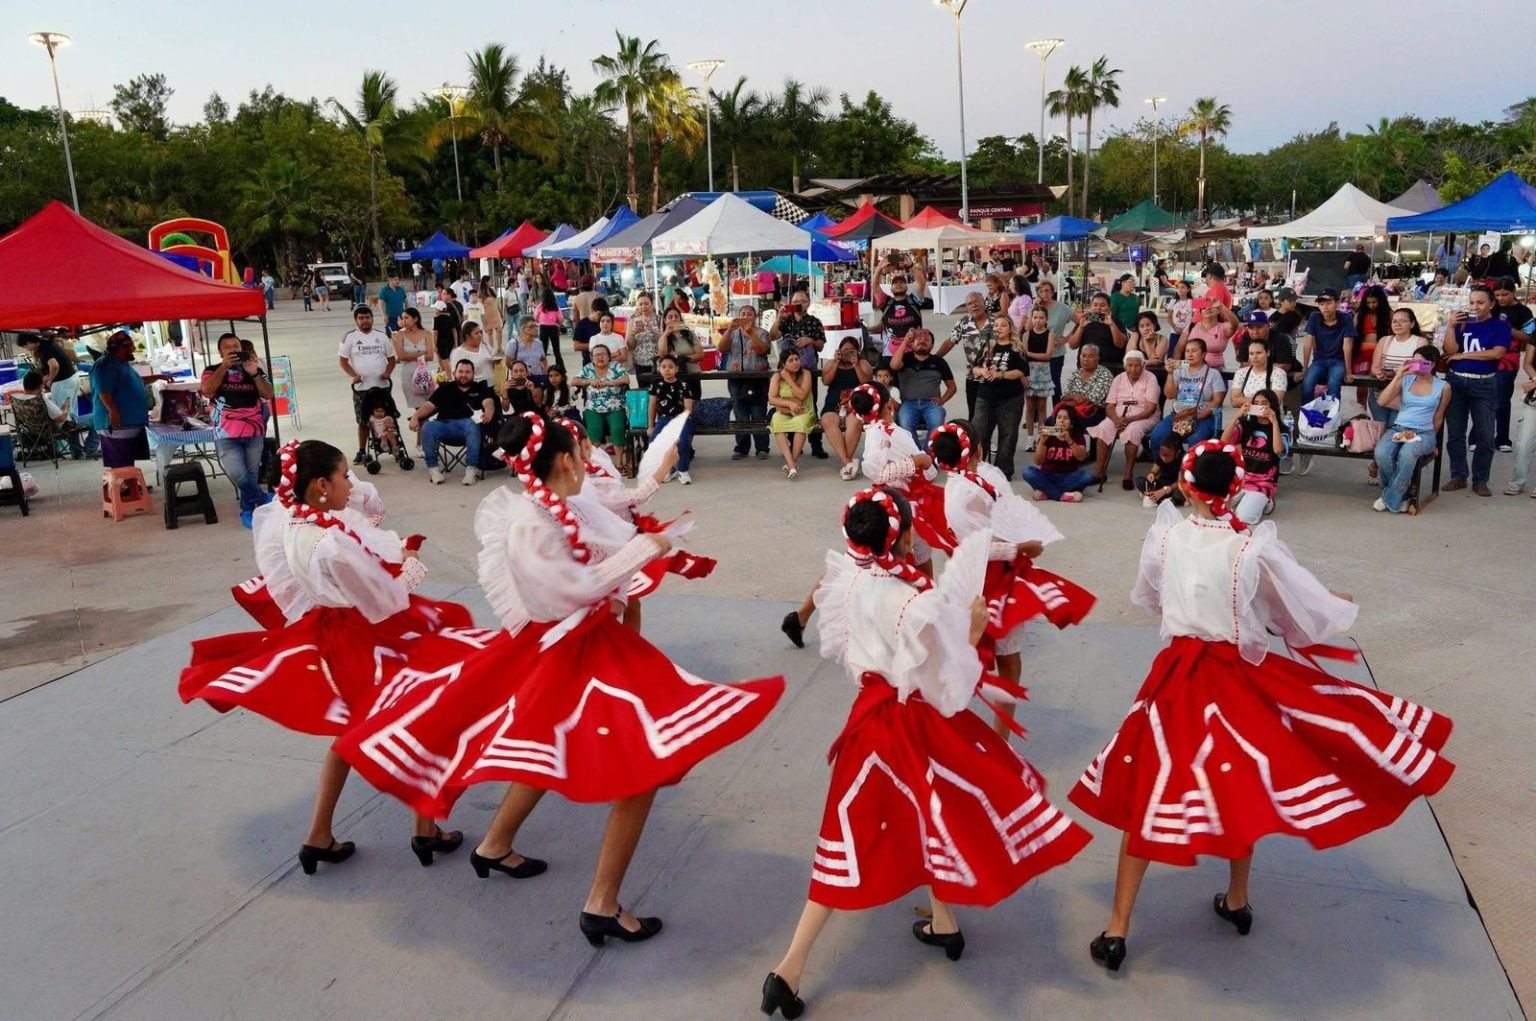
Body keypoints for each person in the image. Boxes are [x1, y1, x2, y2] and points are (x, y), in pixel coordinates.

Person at [333, 413, 782, 946]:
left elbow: (612, 512)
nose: (590, 459)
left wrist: (654, 510)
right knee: (644, 760)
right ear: (566, 459)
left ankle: (496, 844)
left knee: (551, 745)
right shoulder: (531, 524)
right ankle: (601, 904)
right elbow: (568, 591)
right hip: (570, 649)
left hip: (584, 641)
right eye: (582, 450)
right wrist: (646, 550)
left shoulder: (556, 500)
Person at [1070, 440, 1452, 973]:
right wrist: (1328, 601)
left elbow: (1149, 597)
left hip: (1178, 676)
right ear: (1236, 488)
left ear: (1184, 485)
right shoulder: (1250, 547)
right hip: (1233, 679)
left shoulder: (1165, 537)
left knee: (1151, 791)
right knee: (1242, 785)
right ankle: (1237, 900)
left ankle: (1117, 928)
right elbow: (1288, 615)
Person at [759, 491, 1089, 1020]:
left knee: (893, 824)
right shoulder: (915, 600)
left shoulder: (847, 580)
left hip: (869, 717)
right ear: (907, 538)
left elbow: (850, 653)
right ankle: (789, 966)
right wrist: (974, 629)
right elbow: (949, 683)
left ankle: (942, 923)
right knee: (936, 811)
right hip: (913, 722)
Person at [180, 440, 476, 874]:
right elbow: (385, 601)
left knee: (357, 730)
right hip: (365, 638)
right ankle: (423, 825)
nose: (349, 485)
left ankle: (326, 833)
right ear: (321, 484)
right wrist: (411, 561)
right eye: (343, 477)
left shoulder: (295, 523)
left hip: (334, 633)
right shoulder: (328, 542)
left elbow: (345, 537)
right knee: (427, 708)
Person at [930, 420, 1095, 738]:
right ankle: (996, 735)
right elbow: (982, 547)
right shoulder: (969, 493)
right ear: (977, 450)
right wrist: (1021, 547)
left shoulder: (960, 485)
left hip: (975, 574)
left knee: (977, 649)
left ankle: (969, 725)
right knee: (1001, 655)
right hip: (990, 577)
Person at [1442, 285, 1511, 496]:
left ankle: (1481, 479)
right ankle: (1458, 475)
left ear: (1491, 303)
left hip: (1484, 383)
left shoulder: (1500, 325)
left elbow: (1497, 353)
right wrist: (1451, 327)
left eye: (1480, 302)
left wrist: (1464, 356)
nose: (1475, 307)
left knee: (1485, 435)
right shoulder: (1463, 323)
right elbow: (1449, 351)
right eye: (1472, 302)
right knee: (1455, 433)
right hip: (1456, 381)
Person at [201, 332, 274, 527]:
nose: (233, 350)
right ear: (220, 352)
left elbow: (269, 394)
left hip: (254, 430)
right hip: (226, 433)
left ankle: (249, 511)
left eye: (236, 346)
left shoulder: (253, 368)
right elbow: (207, 390)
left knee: (250, 474)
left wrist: (255, 374)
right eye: (228, 347)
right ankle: (264, 498)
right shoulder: (211, 370)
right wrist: (224, 367)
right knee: (236, 473)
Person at [1373, 347, 1450, 511]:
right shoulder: (1406, 379)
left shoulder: (1443, 386)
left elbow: (1438, 417)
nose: (1418, 366)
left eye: (1423, 363)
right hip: (1400, 428)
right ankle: (1403, 496)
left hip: (1424, 432)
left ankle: (1389, 498)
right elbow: (1382, 401)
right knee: (1382, 453)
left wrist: (1433, 442)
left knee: (1407, 455)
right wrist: (1398, 376)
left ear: (1433, 364)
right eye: (1414, 362)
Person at [409, 359, 495, 486]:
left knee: (472, 425)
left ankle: (471, 470)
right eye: (460, 371)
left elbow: (488, 402)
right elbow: (428, 405)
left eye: (467, 372)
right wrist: (415, 417)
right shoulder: (445, 388)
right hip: (444, 425)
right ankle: (434, 470)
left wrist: (488, 411)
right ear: (455, 372)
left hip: (467, 427)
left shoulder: (480, 388)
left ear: (473, 373)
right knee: (427, 427)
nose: (463, 375)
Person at [92, 331, 169, 469]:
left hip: (129, 420)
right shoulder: (105, 365)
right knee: (119, 459)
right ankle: (123, 487)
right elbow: (103, 391)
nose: (134, 349)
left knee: (127, 457)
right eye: (131, 346)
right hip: (116, 421)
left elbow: (135, 381)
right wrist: (112, 411)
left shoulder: (122, 363)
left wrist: (158, 377)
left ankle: (130, 484)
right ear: (121, 348)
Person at [1088, 349, 1162, 489]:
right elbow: (1110, 405)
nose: (1133, 369)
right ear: (1124, 365)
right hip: (1118, 416)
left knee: (1132, 431)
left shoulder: (1150, 378)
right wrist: (1116, 419)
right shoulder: (1119, 379)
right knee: (1104, 428)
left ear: (1143, 365)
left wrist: (1129, 420)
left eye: (1137, 365)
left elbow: (1150, 409)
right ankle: (1099, 472)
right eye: (1129, 365)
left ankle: (1128, 474)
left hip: (1143, 417)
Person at [770, 287, 829, 460]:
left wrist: (810, 340)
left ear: (808, 303)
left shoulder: (814, 321)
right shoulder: (786, 320)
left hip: (807, 370)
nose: (798, 305)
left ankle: (816, 444)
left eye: (801, 301)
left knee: (810, 405)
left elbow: (821, 345)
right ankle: (794, 443)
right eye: (795, 302)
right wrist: (779, 317)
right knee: (788, 403)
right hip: (787, 369)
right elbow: (772, 336)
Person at [970, 314, 1029, 480]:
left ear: (1010, 328)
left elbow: (1021, 371)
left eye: (1003, 325)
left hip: (1010, 397)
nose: (999, 328)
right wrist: (982, 371)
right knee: (979, 432)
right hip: (985, 396)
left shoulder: (1017, 348)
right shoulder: (988, 346)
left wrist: (1000, 374)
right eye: (996, 326)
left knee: (1007, 434)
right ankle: (978, 467)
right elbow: (974, 368)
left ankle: (1003, 471)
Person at [18, 332, 94, 456]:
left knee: (67, 417)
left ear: (29, 342)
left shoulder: (44, 349)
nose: (27, 349)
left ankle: (71, 448)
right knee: (70, 414)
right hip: (71, 378)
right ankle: (76, 450)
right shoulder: (48, 344)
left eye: (25, 346)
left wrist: (50, 379)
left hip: (62, 382)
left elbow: (54, 366)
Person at [338, 306, 397, 465]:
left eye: (367, 317)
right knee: (363, 421)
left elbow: (392, 359)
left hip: (382, 387)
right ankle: (362, 450)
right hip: (361, 389)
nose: (364, 321)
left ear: (372, 318)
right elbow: (343, 361)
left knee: (388, 419)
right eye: (361, 318)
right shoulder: (350, 337)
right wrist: (354, 376)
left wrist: (387, 372)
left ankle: (393, 447)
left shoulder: (382, 336)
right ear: (356, 320)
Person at [1149, 337, 1227, 450]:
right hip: (1179, 415)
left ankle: (1191, 466)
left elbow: (1217, 401)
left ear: (1204, 354)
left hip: (1202, 417)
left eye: (1194, 351)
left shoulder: (1213, 373)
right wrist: (1170, 374)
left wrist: (1200, 415)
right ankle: (1165, 465)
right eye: (1187, 351)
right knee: (1157, 435)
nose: (1190, 354)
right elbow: (1170, 395)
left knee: (1195, 439)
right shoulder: (1179, 370)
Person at [717, 304, 772, 460]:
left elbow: (763, 350)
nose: (746, 316)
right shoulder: (733, 333)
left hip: (757, 378)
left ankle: (762, 448)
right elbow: (722, 348)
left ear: (755, 317)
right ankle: (742, 448)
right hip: (736, 378)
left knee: (758, 413)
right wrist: (729, 330)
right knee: (740, 413)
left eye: (750, 314)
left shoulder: (762, 333)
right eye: (743, 313)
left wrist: (750, 333)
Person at [1222, 388, 1283, 523]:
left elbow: (1278, 450)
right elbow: (1224, 442)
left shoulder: (1280, 428)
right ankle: (1246, 499)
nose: (1260, 406)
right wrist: (1236, 417)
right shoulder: (1247, 425)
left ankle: (1267, 501)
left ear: (1272, 405)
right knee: (1219, 511)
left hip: (1263, 482)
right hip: (1242, 479)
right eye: (1256, 403)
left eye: (1264, 403)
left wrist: (1274, 421)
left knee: (1243, 517)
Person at [886, 326, 956, 441]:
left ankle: (926, 454)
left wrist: (942, 400)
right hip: (908, 405)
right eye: (919, 339)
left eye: (927, 340)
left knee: (937, 424)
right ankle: (916, 454)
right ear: (912, 344)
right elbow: (893, 365)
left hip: (931, 405)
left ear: (932, 345)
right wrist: (904, 341)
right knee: (905, 425)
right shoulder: (905, 358)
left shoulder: (939, 362)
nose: (922, 341)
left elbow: (952, 387)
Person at [820, 336, 873, 480]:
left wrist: (856, 365)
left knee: (854, 421)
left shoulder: (863, 363)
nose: (847, 354)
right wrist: (836, 362)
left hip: (856, 404)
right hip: (833, 404)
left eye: (851, 351)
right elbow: (826, 381)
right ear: (839, 350)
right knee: (828, 420)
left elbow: (867, 383)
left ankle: (846, 464)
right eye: (845, 350)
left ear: (857, 352)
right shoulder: (832, 363)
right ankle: (847, 462)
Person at [1491, 277, 1535, 451]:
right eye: (1497, 295)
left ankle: (1502, 439)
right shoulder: (1492, 306)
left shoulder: (1523, 312)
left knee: (1502, 398)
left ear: (1514, 292)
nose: (1501, 298)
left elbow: (1529, 336)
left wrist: (1507, 329)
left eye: (1505, 294)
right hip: (1487, 356)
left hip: (1508, 360)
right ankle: (1478, 438)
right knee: (1483, 399)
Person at [939, 291, 994, 419]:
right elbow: (951, 341)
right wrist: (935, 357)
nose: (974, 305)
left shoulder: (996, 321)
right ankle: (977, 439)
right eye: (970, 303)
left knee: (993, 415)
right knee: (974, 414)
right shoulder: (963, 322)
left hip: (994, 376)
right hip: (973, 376)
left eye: (977, 302)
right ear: (967, 307)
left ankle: (986, 439)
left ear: (984, 304)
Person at [1023, 405, 1094, 502]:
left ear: (1071, 423)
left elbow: (1081, 457)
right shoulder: (1048, 434)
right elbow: (1038, 461)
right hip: (1047, 474)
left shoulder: (1077, 436)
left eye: (1066, 418)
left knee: (1087, 475)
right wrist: (1042, 442)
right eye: (1059, 417)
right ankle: (1061, 495)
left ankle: (1046, 491)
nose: (1061, 421)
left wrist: (1069, 440)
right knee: (1028, 472)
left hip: (1068, 476)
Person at [574, 343, 631, 462]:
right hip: (593, 407)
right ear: (592, 358)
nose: (599, 357)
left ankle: (619, 462)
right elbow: (574, 381)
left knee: (617, 429)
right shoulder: (588, 368)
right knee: (594, 430)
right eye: (596, 355)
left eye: (603, 354)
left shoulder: (615, 366)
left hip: (615, 406)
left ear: (609, 356)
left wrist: (609, 383)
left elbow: (626, 379)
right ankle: (597, 462)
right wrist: (589, 381)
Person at [1299, 288, 1355, 401]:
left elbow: (1347, 346)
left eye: (1329, 303)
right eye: (1321, 303)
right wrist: (1304, 368)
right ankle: (1306, 416)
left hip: (1338, 361)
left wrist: (1349, 371)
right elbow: (1308, 344)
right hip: (1319, 360)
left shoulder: (1346, 318)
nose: (1325, 306)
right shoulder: (1314, 317)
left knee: (1334, 384)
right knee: (1307, 384)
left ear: (1337, 303)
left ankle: (1332, 417)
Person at [647, 354, 695, 485]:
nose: (667, 369)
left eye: (670, 367)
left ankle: (683, 470)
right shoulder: (656, 384)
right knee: (654, 441)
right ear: (659, 369)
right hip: (663, 420)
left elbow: (688, 407)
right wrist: (650, 426)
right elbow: (652, 405)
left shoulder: (683, 385)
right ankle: (668, 468)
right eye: (663, 367)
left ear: (676, 369)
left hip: (682, 420)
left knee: (683, 441)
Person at [768, 350, 816, 480]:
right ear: (783, 364)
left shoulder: (806, 374)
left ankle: (791, 463)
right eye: (791, 360)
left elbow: (801, 395)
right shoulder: (777, 376)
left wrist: (789, 379)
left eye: (796, 359)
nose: (795, 362)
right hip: (785, 410)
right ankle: (792, 465)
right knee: (776, 420)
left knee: (801, 423)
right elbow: (771, 398)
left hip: (804, 410)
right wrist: (789, 404)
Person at [1022, 305, 1057, 452]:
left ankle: (1042, 438)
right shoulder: (1026, 335)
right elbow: (1023, 357)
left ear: (1046, 319)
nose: (1038, 320)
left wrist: (1030, 354)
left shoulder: (1050, 334)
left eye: (1041, 317)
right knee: (1030, 407)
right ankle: (1030, 439)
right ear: (1031, 318)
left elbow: (1048, 355)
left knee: (1042, 407)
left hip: (1043, 372)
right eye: (1035, 317)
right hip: (1029, 372)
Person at [1173, 297, 1240, 370]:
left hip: (1215, 369)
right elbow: (1178, 349)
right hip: (1191, 368)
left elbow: (1235, 323)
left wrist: (1222, 307)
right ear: (1201, 312)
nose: (1208, 308)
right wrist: (1176, 369)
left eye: (1211, 307)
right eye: (1204, 308)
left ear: (1218, 311)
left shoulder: (1223, 328)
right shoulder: (1191, 327)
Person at [1229, 336, 1289, 415]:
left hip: (1269, 419)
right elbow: (1234, 401)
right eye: (1251, 353)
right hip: (1246, 419)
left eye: (1259, 353)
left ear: (1268, 353)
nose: (1255, 357)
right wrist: (1263, 402)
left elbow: (1275, 402)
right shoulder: (1241, 373)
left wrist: (1244, 400)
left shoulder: (1279, 373)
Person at [390, 307, 434, 414]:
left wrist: (409, 355)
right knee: (418, 408)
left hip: (425, 374)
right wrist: (422, 353)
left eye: (406, 318)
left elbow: (431, 356)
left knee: (430, 406)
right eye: (402, 318)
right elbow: (401, 357)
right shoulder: (400, 334)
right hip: (408, 375)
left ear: (415, 319)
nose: (403, 321)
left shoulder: (426, 333)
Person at [1070, 292, 1128, 372]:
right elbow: (1072, 345)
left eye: (1103, 305)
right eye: (1095, 305)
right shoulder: (1084, 320)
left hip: (1111, 366)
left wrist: (1111, 325)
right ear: (1091, 306)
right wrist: (1080, 328)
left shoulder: (1116, 322)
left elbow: (1120, 344)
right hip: (1087, 367)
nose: (1098, 308)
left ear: (1109, 307)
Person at [871, 261, 928, 343]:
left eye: (902, 282)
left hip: (913, 351)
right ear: (891, 289)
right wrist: (880, 267)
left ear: (907, 288)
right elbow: (875, 286)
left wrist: (911, 265)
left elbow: (922, 282)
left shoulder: (914, 300)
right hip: (890, 352)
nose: (899, 284)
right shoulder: (886, 302)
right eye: (895, 283)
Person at [1060, 341, 1115, 426]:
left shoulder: (1105, 374)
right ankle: (1046, 437)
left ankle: (1069, 438)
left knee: (1067, 422)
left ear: (1098, 358)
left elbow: (1094, 399)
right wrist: (1074, 396)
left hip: (1094, 411)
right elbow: (1064, 395)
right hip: (1071, 409)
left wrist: (1072, 398)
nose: (1086, 359)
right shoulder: (1076, 373)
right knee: (1051, 421)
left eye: (1090, 356)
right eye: (1083, 356)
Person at [659, 306, 702, 400]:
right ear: (665, 321)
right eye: (670, 317)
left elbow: (700, 355)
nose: (674, 319)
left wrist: (681, 358)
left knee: (694, 407)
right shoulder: (663, 338)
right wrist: (666, 334)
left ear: (680, 319)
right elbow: (663, 355)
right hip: (672, 379)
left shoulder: (689, 334)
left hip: (692, 376)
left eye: (676, 316)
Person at [1138, 434, 1186, 508]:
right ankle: (1155, 495)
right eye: (1162, 454)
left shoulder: (1183, 460)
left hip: (1175, 486)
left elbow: (1180, 481)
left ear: (1177, 453)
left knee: (1179, 493)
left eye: (1168, 456)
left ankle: (1168, 499)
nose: (1164, 458)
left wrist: (1165, 490)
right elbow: (1154, 470)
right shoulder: (1160, 457)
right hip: (1163, 482)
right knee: (1140, 481)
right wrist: (1151, 474)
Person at [504, 315, 550, 389]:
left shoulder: (538, 343)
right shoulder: (513, 343)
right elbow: (508, 363)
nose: (535, 329)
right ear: (523, 329)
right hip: (521, 381)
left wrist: (545, 371)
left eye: (536, 326)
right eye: (531, 326)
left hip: (537, 378)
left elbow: (543, 359)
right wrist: (521, 372)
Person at [449, 320, 499, 386]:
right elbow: (456, 375)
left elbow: (492, 359)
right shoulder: (458, 353)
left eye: (480, 332)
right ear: (467, 336)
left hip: (490, 387)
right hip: (474, 390)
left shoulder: (484, 345)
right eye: (476, 333)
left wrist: (496, 362)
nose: (480, 335)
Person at [625, 292, 662, 377]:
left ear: (652, 304)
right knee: (643, 388)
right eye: (640, 304)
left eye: (646, 304)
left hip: (657, 362)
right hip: (639, 363)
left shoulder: (659, 319)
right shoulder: (632, 320)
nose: (643, 307)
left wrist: (652, 330)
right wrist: (632, 334)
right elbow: (630, 347)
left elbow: (663, 342)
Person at [572, 298, 611, 366]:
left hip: (606, 362)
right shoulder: (582, 324)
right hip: (589, 362)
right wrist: (596, 344)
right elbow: (576, 346)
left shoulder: (605, 323)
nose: (601, 317)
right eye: (599, 314)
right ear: (592, 311)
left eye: (604, 314)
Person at [536, 289, 564, 371]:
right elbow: (561, 319)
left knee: (543, 350)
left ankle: (541, 367)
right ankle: (560, 368)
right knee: (556, 350)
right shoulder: (555, 306)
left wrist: (540, 321)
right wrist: (557, 324)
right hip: (553, 328)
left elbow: (535, 317)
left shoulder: (540, 306)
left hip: (543, 327)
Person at [430, 299, 460, 372]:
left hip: (440, 342)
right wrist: (455, 343)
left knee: (444, 359)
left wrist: (434, 345)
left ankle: (448, 376)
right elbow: (454, 331)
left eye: (435, 309)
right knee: (446, 358)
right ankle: (443, 372)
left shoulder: (436, 319)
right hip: (450, 341)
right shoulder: (450, 318)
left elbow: (435, 333)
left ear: (438, 310)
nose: (434, 310)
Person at [477, 279, 505, 347]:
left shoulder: (492, 290)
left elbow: (496, 302)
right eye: (490, 281)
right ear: (486, 282)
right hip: (487, 315)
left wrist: (501, 312)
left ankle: (499, 348)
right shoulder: (481, 293)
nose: (491, 282)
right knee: (489, 332)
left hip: (495, 314)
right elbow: (479, 305)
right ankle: (491, 349)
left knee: (499, 330)